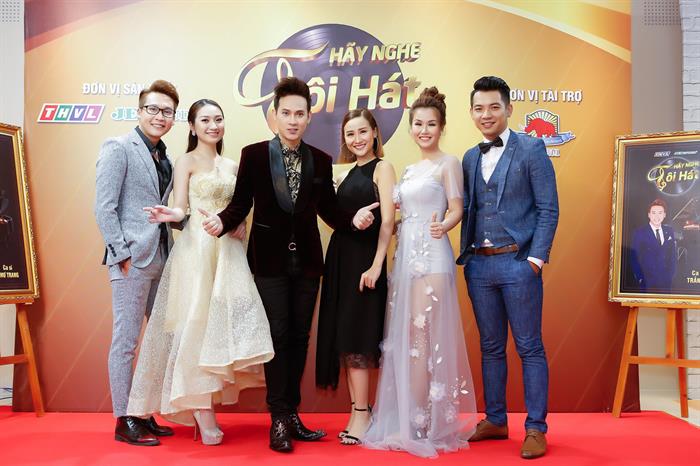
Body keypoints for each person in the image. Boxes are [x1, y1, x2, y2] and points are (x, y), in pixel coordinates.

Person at [199, 77, 378, 453]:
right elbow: (240, 203)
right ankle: (279, 417)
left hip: (308, 263)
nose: (293, 120)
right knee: (278, 337)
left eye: (300, 114)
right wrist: (222, 221)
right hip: (269, 262)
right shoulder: (253, 155)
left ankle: (292, 413)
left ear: (309, 117)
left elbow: (330, 211)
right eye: (286, 113)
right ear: (274, 115)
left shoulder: (321, 159)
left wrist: (354, 219)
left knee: (300, 338)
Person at [126, 99, 274, 445]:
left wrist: (240, 224)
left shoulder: (233, 165)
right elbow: (181, 207)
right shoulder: (186, 161)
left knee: (220, 327)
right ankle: (201, 410)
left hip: (229, 254)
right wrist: (171, 214)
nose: (213, 125)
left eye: (218, 119)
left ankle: (206, 404)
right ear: (192, 126)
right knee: (194, 327)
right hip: (196, 251)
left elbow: (241, 207)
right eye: (205, 120)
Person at [363, 87, 477, 458]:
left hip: (432, 258)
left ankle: (425, 424)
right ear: (411, 128)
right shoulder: (410, 170)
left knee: (425, 340)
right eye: (418, 124)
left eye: (431, 124)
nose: (424, 130)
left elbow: (457, 207)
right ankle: (414, 420)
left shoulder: (449, 163)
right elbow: (399, 210)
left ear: (441, 127)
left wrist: (445, 224)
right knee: (411, 342)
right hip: (406, 258)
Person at [456, 76, 559, 460]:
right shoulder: (469, 157)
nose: (486, 114)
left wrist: (535, 259)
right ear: (471, 112)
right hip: (479, 267)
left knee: (529, 347)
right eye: (479, 108)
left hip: (519, 263)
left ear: (509, 109)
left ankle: (536, 428)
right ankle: (496, 419)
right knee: (490, 347)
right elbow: (467, 208)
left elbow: (548, 208)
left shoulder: (531, 148)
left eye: (494, 107)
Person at [94, 80, 180, 446]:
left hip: (162, 257)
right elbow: (104, 207)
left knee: (159, 340)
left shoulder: (166, 157)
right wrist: (122, 254)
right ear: (139, 111)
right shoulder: (118, 147)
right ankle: (123, 419)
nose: (160, 116)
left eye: (167, 111)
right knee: (126, 341)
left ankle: (142, 412)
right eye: (153, 109)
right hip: (132, 260)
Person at [315, 109, 396, 445]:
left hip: (365, 262)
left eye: (363, 131)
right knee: (346, 339)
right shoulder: (346, 172)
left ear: (375, 132)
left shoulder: (382, 168)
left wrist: (377, 265)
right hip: (341, 262)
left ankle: (362, 413)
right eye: (350, 134)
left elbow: (388, 222)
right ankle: (357, 411)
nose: (357, 139)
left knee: (359, 339)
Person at [630, 199, 677, 292]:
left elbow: (673, 255)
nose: (657, 216)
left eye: (660, 213)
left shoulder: (669, 231)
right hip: (647, 282)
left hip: (666, 282)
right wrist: (640, 278)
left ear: (664, 215)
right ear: (649, 214)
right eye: (653, 213)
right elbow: (634, 258)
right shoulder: (639, 232)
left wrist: (671, 275)